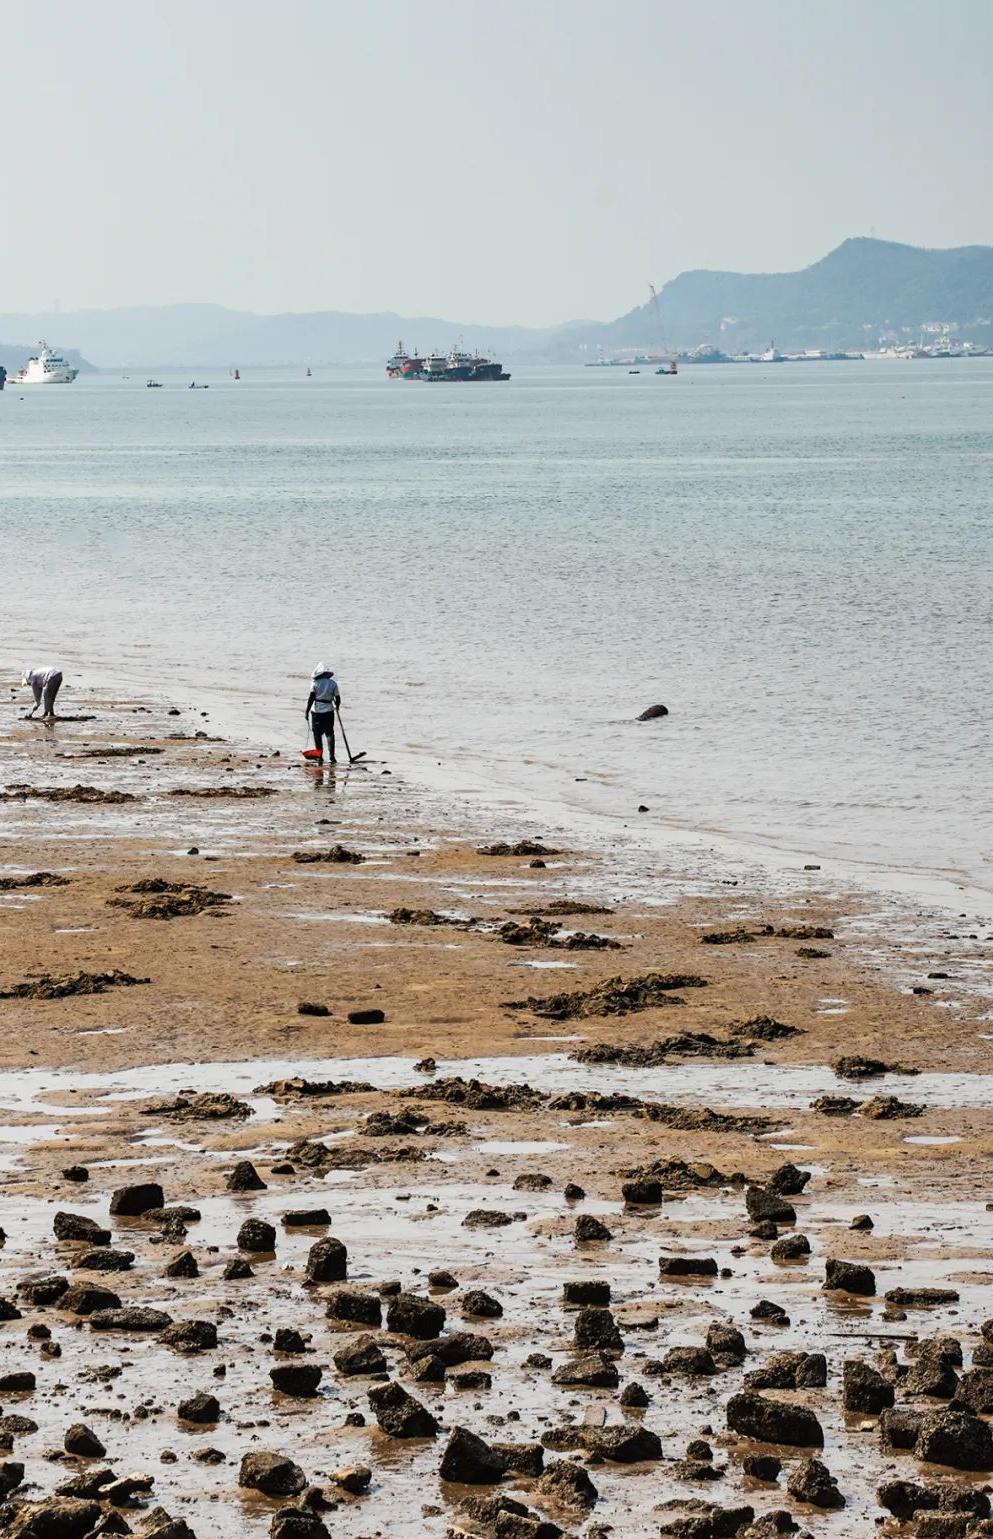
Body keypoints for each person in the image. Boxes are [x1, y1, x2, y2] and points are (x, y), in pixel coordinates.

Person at [305, 663, 340, 763]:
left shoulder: (315, 683)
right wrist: (337, 707)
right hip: (329, 711)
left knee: (317, 734)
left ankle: (319, 756)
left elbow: (311, 698)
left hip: (317, 711)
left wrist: (307, 711)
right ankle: (332, 756)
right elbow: (338, 698)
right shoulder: (333, 683)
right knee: (330, 733)